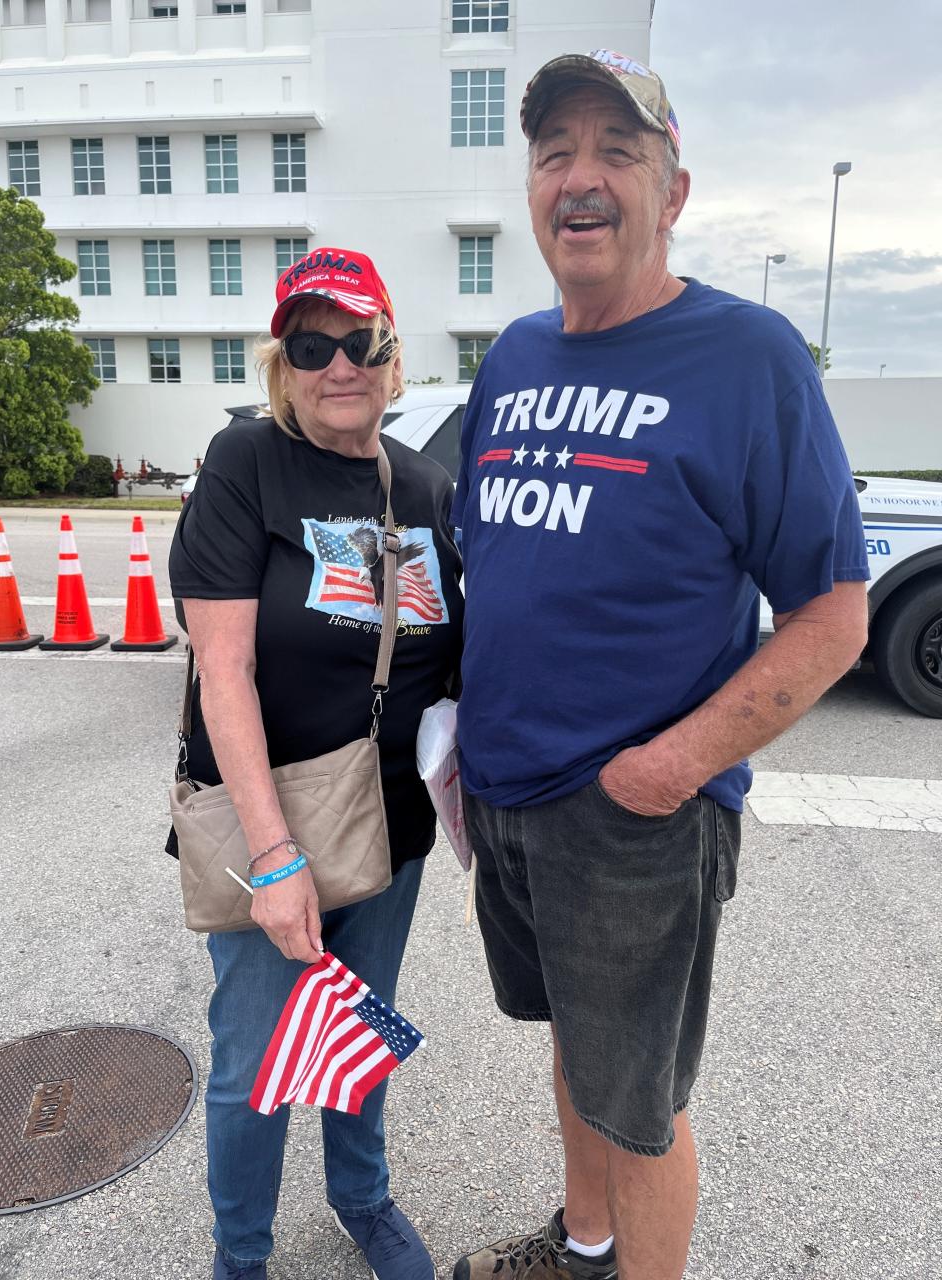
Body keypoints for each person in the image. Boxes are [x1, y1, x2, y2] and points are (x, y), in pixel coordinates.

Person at [450, 51, 870, 1280]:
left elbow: (833, 612)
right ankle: (582, 1248)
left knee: (640, 1104)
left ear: (672, 190)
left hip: (637, 817)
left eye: (616, 153)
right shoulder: (514, 355)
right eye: (554, 153)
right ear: (530, 187)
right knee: (580, 1053)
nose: (580, 180)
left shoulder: (748, 356)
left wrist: (673, 765)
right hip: (509, 798)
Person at [168, 246, 463, 1280]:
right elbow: (225, 671)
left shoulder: (425, 485)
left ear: (393, 357)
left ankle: (362, 1195)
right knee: (254, 1060)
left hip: (392, 821)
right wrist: (276, 856)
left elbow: (462, 657)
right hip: (273, 822)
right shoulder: (245, 465)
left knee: (357, 1026)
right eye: (311, 343)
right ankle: (240, 1254)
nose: (340, 363)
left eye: (362, 340)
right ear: (281, 365)